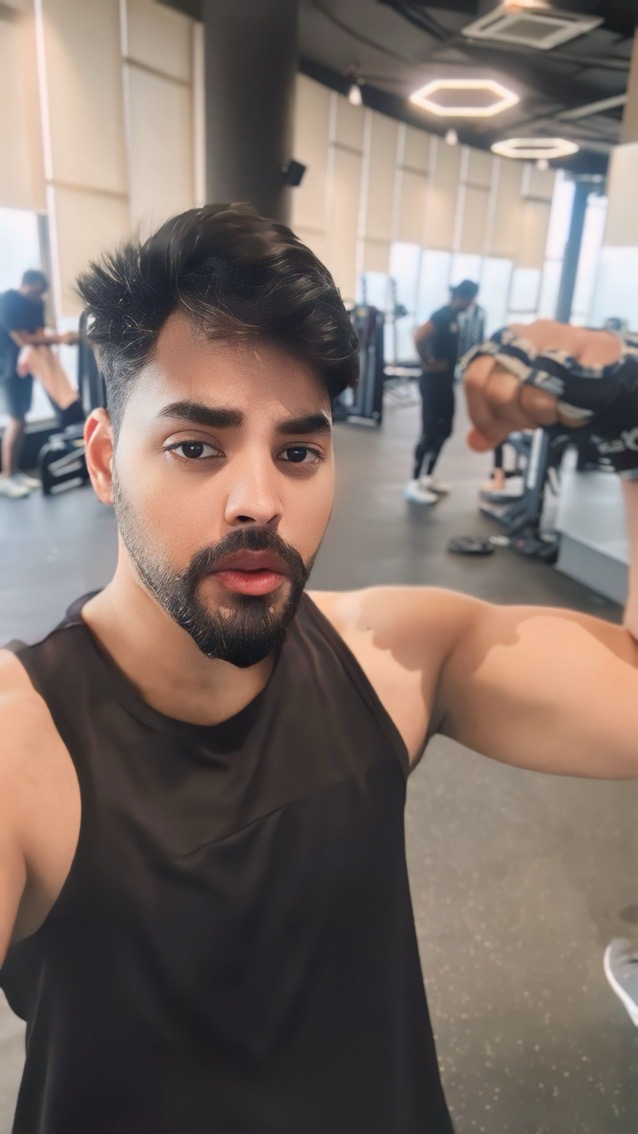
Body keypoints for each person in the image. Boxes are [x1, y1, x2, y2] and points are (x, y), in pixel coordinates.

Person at [0, 207, 637, 1134]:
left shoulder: (395, 658)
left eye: (298, 451)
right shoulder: (19, 750)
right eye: (196, 446)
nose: (260, 500)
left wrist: (633, 429)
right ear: (105, 461)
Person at [0, 270, 83, 499]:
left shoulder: (36, 303)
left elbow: (38, 333)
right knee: (16, 421)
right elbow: (23, 339)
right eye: (34, 291)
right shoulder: (7, 301)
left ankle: (14, 473)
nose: (37, 296)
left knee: (22, 420)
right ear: (24, 284)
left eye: (40, 293)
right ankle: (6, 477)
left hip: (26, 367)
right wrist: (60, 338)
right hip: (6, 369)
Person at [405, 279, 479, 505]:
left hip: (446, 383)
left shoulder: (455, 317)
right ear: (462, 298)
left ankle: (428, 476)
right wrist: (427, 362)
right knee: (429, 431)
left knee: (444, 430)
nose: (471, 305)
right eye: (470, 300)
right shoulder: (442, 315)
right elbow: (419, 336)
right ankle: (413, 483)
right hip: (432, 382)